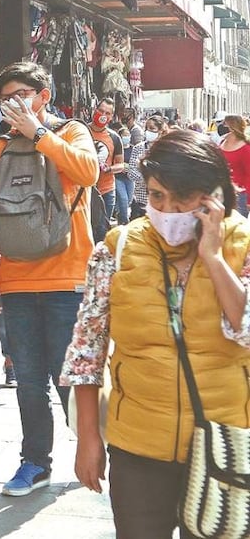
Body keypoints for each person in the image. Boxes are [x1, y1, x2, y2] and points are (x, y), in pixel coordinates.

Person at [61, 130, 250, 537]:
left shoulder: (243, 245)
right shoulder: (117, 248)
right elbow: (86, 352)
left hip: (225, 441)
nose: (168, 210)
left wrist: (214, 258)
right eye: (157, 196)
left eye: (182, 198)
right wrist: (88, 438)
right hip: (138, 448)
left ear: (214, 195)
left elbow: (246, 330)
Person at [0, 61, 99, 497]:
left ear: (43, 95)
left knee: (68, 378)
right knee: (28, 380)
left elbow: (89, 173)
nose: (13, 104)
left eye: (21, 95)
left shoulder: (71, 132)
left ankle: (90, 447)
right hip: (16, 280)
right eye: (5, 98)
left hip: (68, 277)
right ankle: (35, 462)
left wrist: (39, 133)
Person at [87, 98, 123, 224]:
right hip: (83, 189)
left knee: (103, 228)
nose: (103, 115)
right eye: (101, 111)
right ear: (94, 110)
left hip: (106, 190)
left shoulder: (115, 138)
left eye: (107, 113)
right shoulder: (81, 131)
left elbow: (121, 165)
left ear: (111, 117)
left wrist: (109, 169)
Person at [126, 115, 169, 220]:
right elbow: (131, 172)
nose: (148, 131)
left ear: (160, 131)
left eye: (152, 128)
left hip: (161, 204)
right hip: (140, 202)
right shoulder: (138, 148)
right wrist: (148, 178)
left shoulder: (166, 150)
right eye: (147, 128)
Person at [218, 114, 250, 217]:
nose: (221, 126)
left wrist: (249, 200)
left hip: (240, 196)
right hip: (221, 191)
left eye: (224, 123)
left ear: (233, 127)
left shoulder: (246, 149)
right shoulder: (221, 143)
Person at [113, 124, 133, 225]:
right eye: (124, 135)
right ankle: (125, 221)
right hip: (118, 177)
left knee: (128, 200)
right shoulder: (116, 149)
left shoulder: (133, 149)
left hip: (130, 178)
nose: (127, 137)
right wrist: (121, 166)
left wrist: (129, 167)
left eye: (128, 135)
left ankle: (118, 214)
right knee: (123, 198)